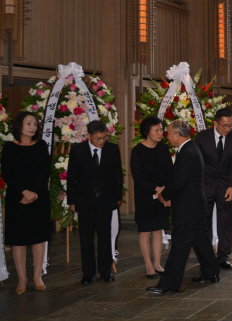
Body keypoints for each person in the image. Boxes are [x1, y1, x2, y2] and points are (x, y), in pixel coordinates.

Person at [147, 120, 220, 294]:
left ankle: (168, 284)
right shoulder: (189, 149)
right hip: (194, 206)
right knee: (201, 242)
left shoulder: (188, 152)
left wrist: (164, 195)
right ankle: (211, 272)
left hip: (188, 209)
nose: (167, 136)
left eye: (169, 133)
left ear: (178, 135)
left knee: (179, 246)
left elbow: (178, 181)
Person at [67, 120, 124, 286]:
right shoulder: (78, 151)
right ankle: (88, 273)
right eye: (98, 138)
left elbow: (117, 175)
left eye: (104, 137)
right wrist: (72, 201)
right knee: (86, 238)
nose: (102, 141)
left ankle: (106, 271)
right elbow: (71, 178)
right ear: (89, 136)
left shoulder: (112, 149)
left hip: (106, 199)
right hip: (84, 200)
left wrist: (117, 196)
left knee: (105, 236)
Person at [1, 112, 51, 294]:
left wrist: (33, 193)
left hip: (39, 197)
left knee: (38, 237)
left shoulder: (41, 145)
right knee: (18, 239)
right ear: (19, 125)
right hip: (17, 197)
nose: (32, 127)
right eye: (28, 123)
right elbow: (7, 173)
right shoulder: (9, 147)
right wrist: (24, 191)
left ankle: (37, 276)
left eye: (35, 124)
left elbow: (45, 171)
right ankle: (22, 279)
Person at [194, 108, 232, 270]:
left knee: (225, 222)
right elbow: (197, 163)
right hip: (205, 185)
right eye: (224, 125)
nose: (227, 129)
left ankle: (223, 257)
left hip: (225, 186)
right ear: (215, 123)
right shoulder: (202, 137)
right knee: (204, 222)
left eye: (230, 125)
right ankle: (206, 257)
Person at [130, 116, 173, 279]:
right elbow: (137, 177)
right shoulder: (137, 151)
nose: (160, 133)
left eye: (161, 130)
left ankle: (157, 263)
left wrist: (164, 190)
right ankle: (148, 264)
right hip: (145, 195)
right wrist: (156, 189)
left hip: (162, 194)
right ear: (147, 132)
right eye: (156, 130)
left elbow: (170, 172)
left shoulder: (163, 149)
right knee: (145, 230)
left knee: (158, 229)